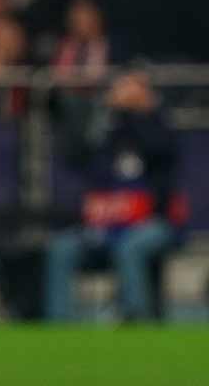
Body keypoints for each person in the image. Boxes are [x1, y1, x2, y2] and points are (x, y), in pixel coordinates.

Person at [45, 69, 184, 322]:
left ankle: (136, 319)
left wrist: (139, 112)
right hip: (106, 225)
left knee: (129, 247)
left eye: (131, 88)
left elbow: (159, 150)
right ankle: (59, 323)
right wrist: (99, 114)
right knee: (62, 248)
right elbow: (78, 157)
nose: (123, 94)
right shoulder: (108, 130)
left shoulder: (158, 124)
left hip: (153, 222)